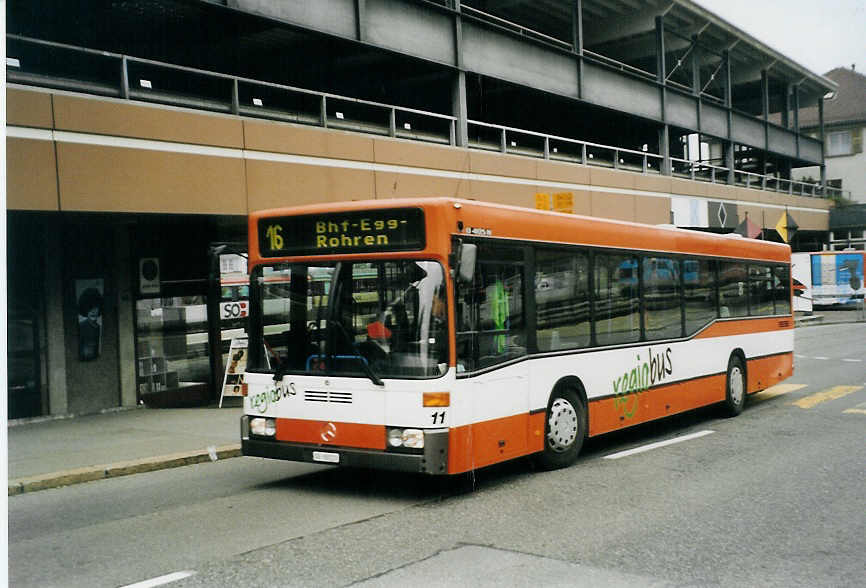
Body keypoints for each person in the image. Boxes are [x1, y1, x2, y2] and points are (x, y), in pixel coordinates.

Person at [78, 287, 103, 361]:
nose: (93, 311)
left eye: (96, 307)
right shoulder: (81, 326)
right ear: (85, 308)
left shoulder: (98, 327)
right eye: (90, 308)